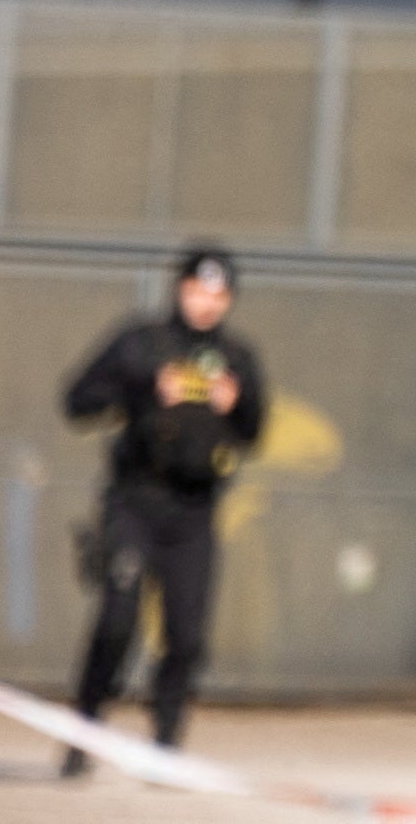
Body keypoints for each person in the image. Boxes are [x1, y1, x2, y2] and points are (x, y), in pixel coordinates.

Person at [62, 246, 267, 760]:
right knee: (118, 619)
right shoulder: (142, 344)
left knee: (187, 634)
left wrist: (235, 404)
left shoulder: (236, 359)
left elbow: (254, 431)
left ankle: (167, 739)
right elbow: (78, 400)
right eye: (198, 290)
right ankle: (83, 730)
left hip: (194, 510)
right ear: (180, 289)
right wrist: (145, 388)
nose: (207, 303)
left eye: (218, 294)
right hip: (136, 500)